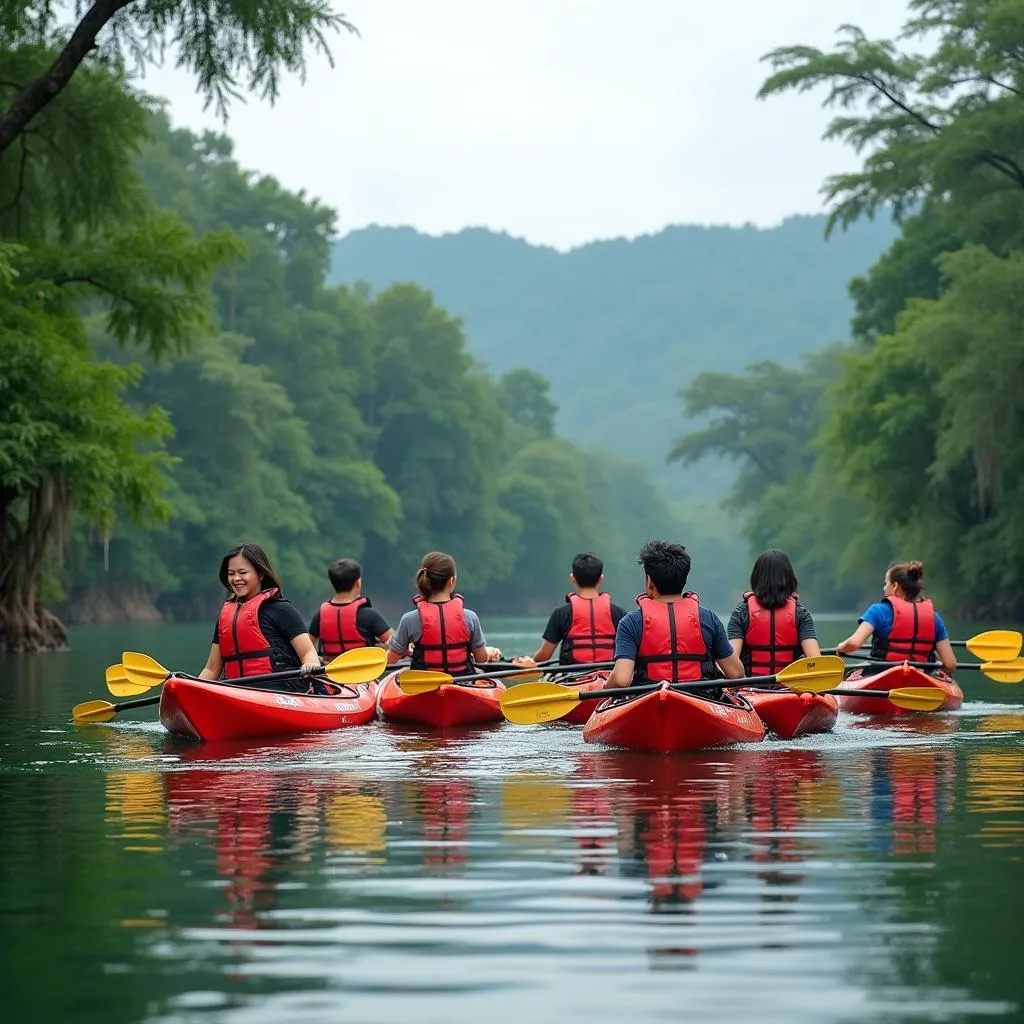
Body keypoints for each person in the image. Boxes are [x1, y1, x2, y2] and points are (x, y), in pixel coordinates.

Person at [605, 540, 745, 689]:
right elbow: (736, 673)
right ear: (684, 578)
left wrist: (605, 688)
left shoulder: (630, 623)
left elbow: (621, 680)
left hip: (648, 701)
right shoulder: (708, 618)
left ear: (649, 581)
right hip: (701, 699)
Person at [198, 542, 322, 692]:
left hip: (279, 690)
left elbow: (308, 652)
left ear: (260, 574)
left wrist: (310, 664)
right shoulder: (226, 618)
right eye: (231, 574)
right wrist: (191, 690)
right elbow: (211, 669)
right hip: (234, 690)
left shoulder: (281, 609)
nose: (236, 578)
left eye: (243, 573)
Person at [386, 551, 503, 672]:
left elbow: (390, 661)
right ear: (452, 581)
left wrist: (407, 652)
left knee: (403, 671)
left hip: (424, 685)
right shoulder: (470, 617)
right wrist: (487, 653)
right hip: (463, 682)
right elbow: (481, 660)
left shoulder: (409, 619)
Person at [835, 560, 956, 673]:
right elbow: (950, 664)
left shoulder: (878, 611)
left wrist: (841, 648)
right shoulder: (934, 618)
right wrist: (937, 673)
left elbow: (854, 644)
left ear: (895, 586)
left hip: (882, 676)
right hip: (921, 677)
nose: (884, 588)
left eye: (886, 583)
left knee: (849, 674)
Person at [515, 552, 627, 667]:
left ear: (572, 578)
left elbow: (544, 656)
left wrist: (529, 661)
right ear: (601, 579)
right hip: (609, 679)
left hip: (572, 679)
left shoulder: (561, 614)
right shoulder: (619, 613)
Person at [728, 549, 820, 677]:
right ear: (789, 579)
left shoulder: (741, 612)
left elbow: (731, 663)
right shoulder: (801, 613)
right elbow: (815, 661)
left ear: (756, 578)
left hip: (749, 689)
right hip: (790, 689)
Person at [308, 558, 394, 656]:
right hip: (366, 670)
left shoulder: (320, 615)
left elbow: (307, 648)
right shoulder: (369, 615)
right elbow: (398, 644)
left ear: (331, 584)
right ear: (358, 583)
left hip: (333, 670)